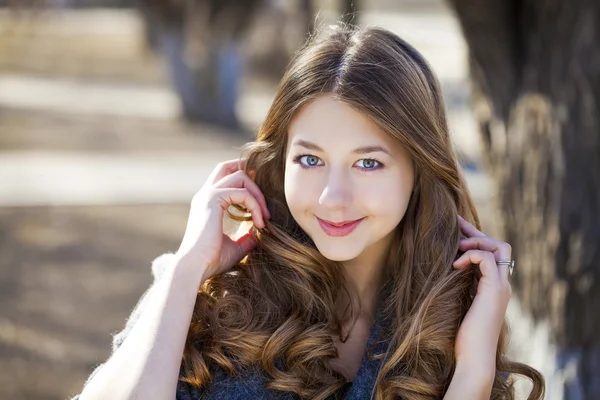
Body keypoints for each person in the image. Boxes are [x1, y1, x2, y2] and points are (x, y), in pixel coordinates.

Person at [73, 24, 545, 400]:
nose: (332, 197)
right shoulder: (200, 294)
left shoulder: (454, 322)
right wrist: (186, 268)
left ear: (419, 172)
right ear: (281, 165)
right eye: (311, 160)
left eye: (368, 163)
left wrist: (475, 371)